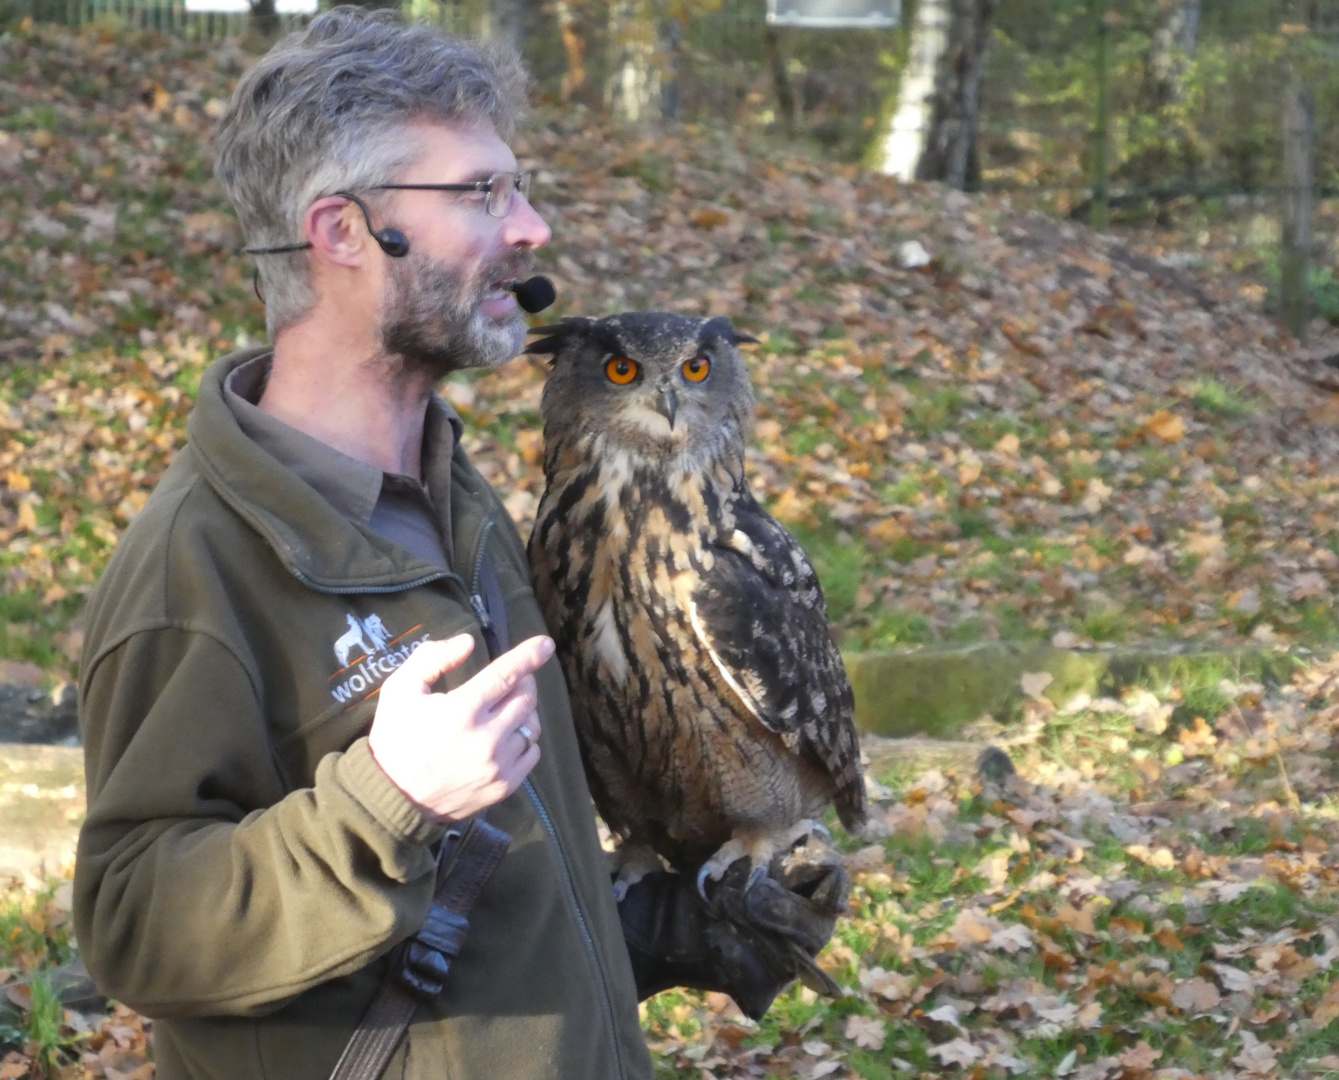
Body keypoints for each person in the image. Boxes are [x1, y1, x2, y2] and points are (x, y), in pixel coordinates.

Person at [72, 10, 846, 1080]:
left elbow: (487, 908)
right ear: (343, 233)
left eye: (515, 188)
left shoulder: (469, 507)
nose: (528, 227)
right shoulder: (199, 568)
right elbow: (131, 928)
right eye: (482, 194)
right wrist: (389, 798)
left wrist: (668, 929)